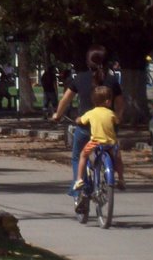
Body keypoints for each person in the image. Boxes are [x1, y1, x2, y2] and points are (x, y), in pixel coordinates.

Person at [51, 45, 124, 199]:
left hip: (86, 129)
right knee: (114, 152)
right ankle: (118, 177)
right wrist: (117, 117)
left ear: (87, 62)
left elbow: (66, 99)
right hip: (108, 130)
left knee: (78, 156)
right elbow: (120, 104)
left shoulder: (79, 79)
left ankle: (81, 187)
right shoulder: (112, 81)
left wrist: (57, 115)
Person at [72, 84, 125, 193]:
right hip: (110, 143)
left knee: (83, 155)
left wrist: (77, 119)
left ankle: (79, 179)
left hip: (95, 142)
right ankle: (121, 179)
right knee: (118, 158)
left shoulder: (90, 113)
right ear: (107, 102)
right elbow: (117, 121)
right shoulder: (111, 113)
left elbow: (81, 121)